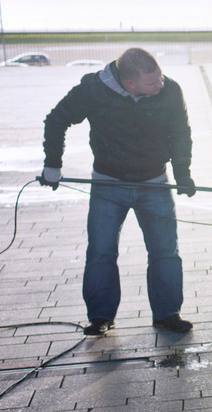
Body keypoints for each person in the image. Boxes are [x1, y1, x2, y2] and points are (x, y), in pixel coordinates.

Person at [40, 48, 196, 336]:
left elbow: (180, 131)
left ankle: (167, 313)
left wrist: (183, 173)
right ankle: (100, 317)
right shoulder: (93, 90)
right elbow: (56, 120)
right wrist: (52, 164)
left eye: (160, 78)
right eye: (152, 83)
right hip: (108, 184)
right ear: (129, 83)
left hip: (154, 183)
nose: (160, 85)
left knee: (165, 251)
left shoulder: (170, 90)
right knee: (101, 251)